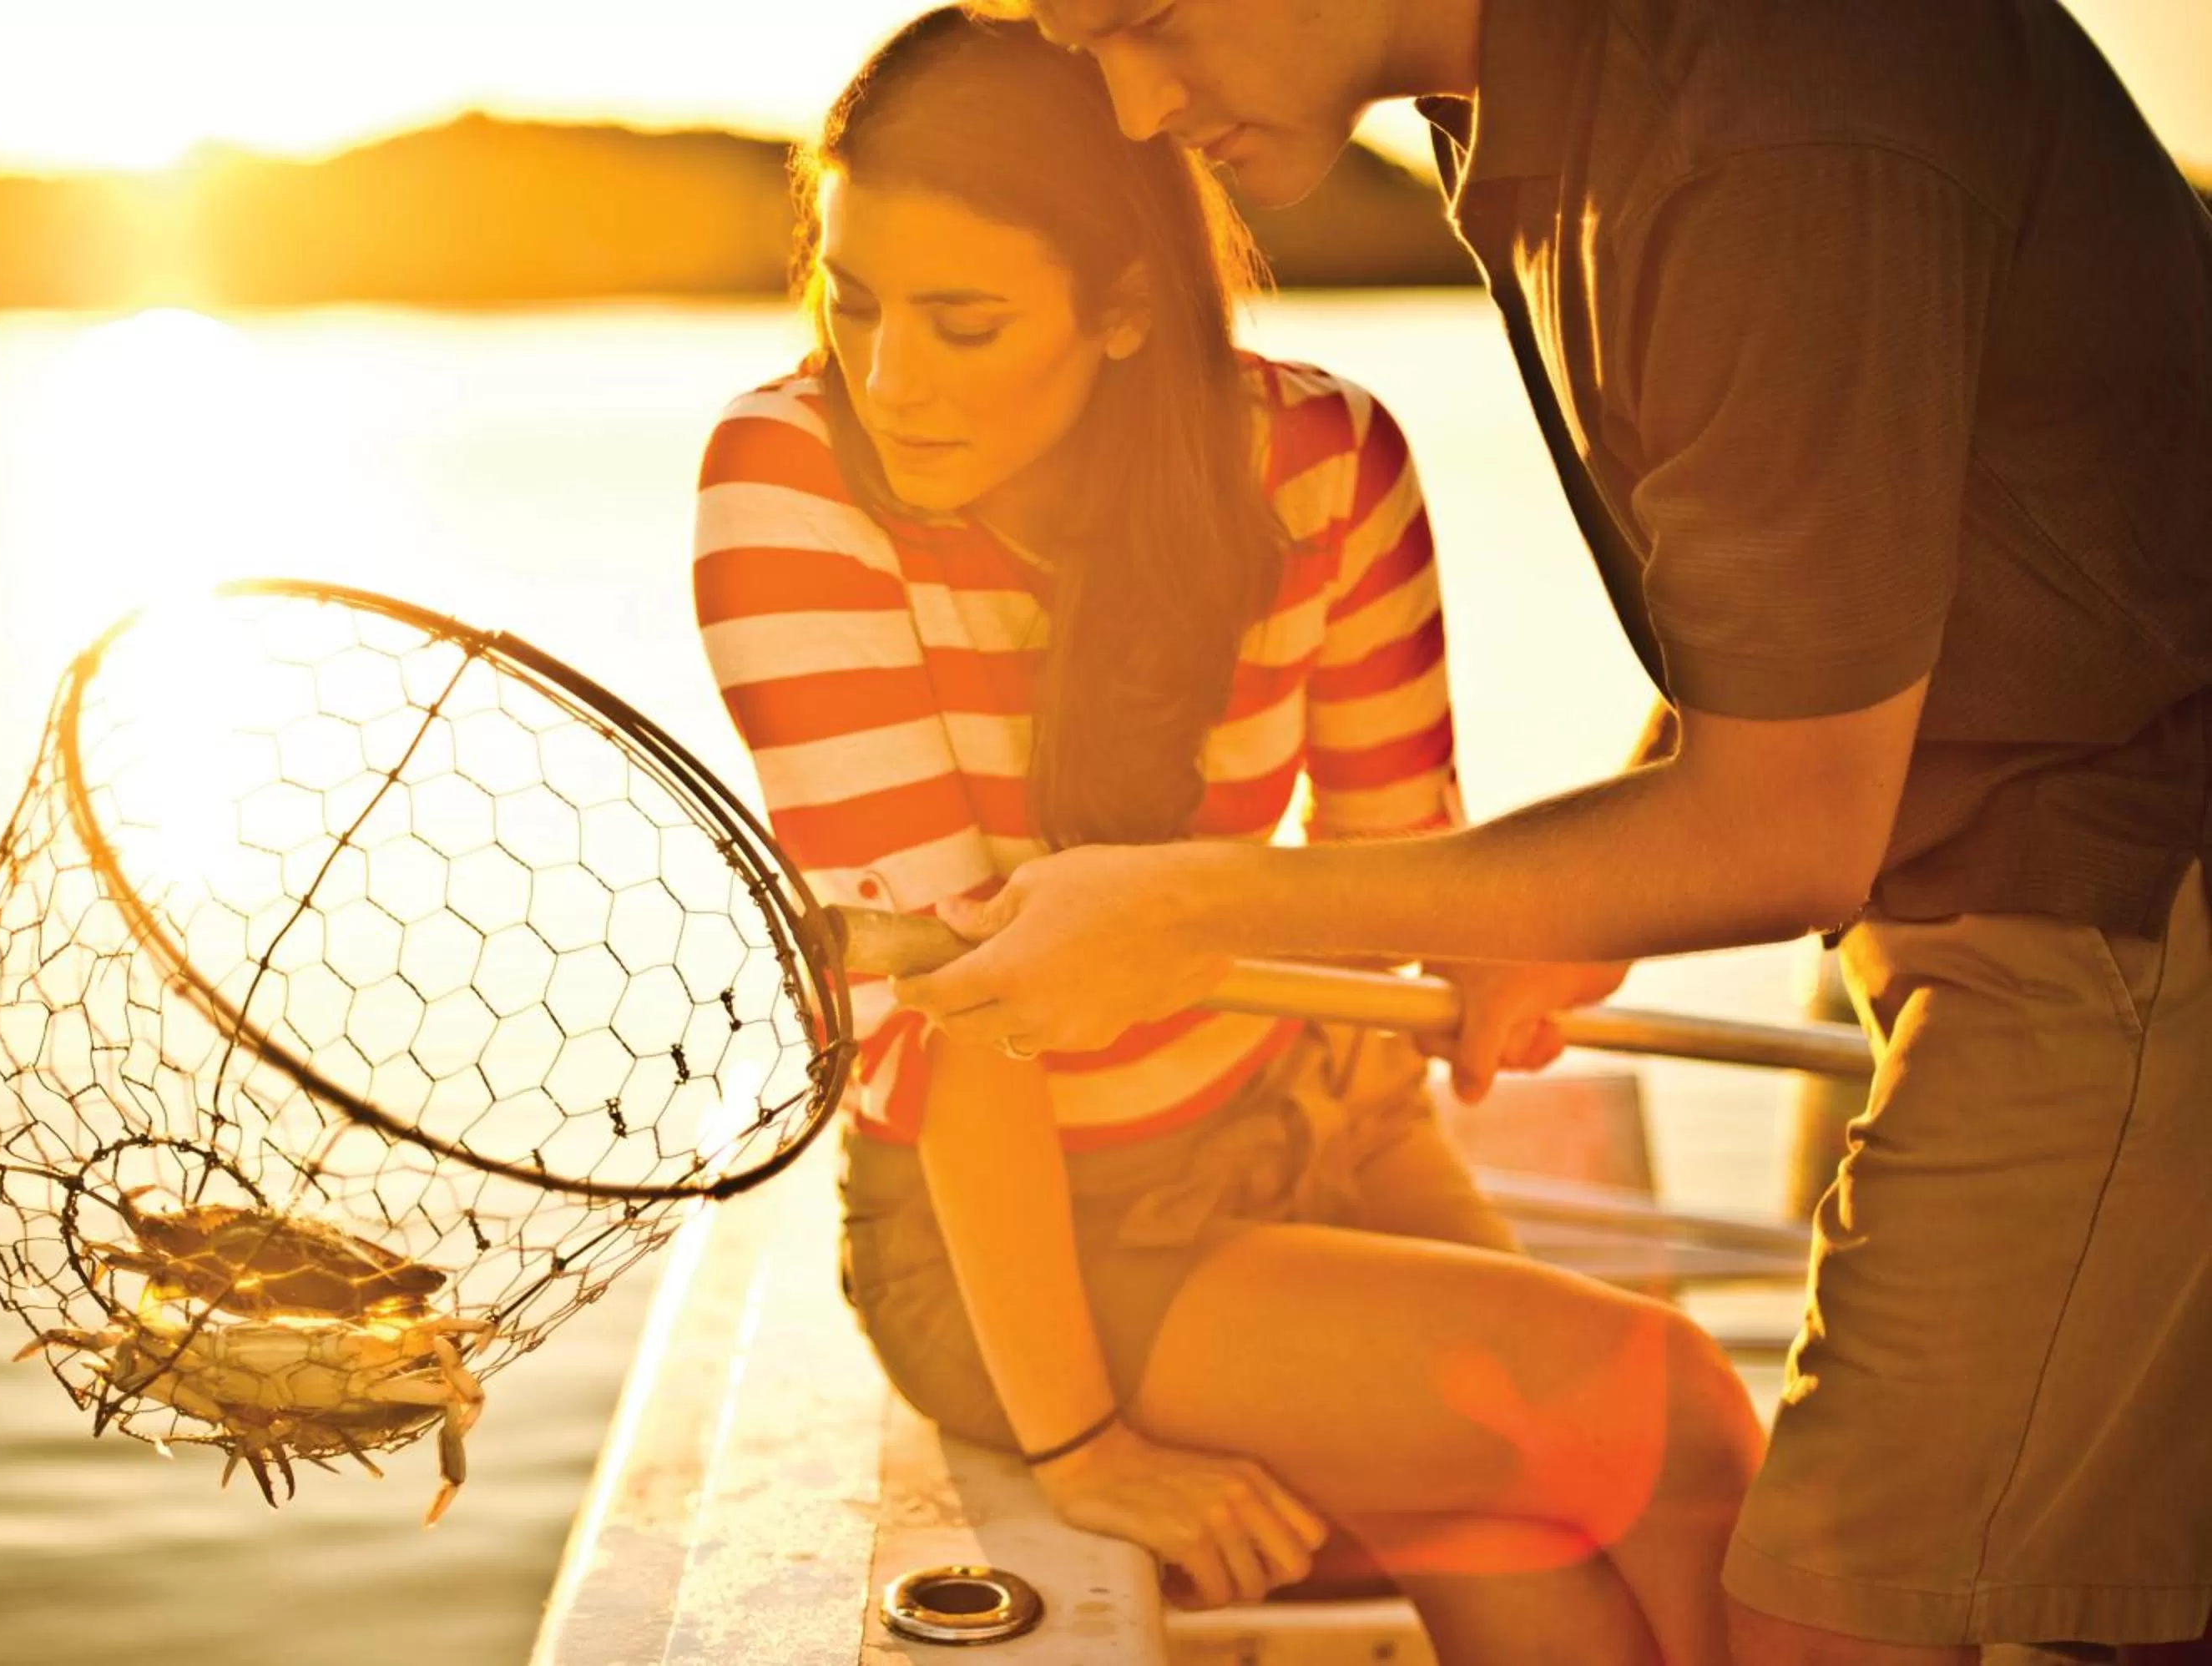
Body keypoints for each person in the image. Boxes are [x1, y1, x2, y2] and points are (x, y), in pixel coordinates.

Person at [897, 1, 2212, 1661]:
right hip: (1966, 887)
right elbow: (1852, 582)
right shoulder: (1525, 97)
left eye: (1148, 18)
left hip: (2124, 906)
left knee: (1823, 1627)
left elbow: (1789, 821)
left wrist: (1181, 915)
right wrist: (1587, 898)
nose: (1139, 107)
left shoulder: (1767, 124)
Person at [692, 10, 1761, 1659]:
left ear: (1126, 307)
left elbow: (1402, 854)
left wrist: (1485, 963)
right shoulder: (788, 488)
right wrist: (1082, 1445)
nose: (889, 376)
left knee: (1546, 1545)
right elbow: (962, 1015)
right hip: (1016, 1231)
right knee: (1669, 1404)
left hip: (1308, 1119)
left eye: (963, 321)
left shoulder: (1328, 461)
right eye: (853, 300)